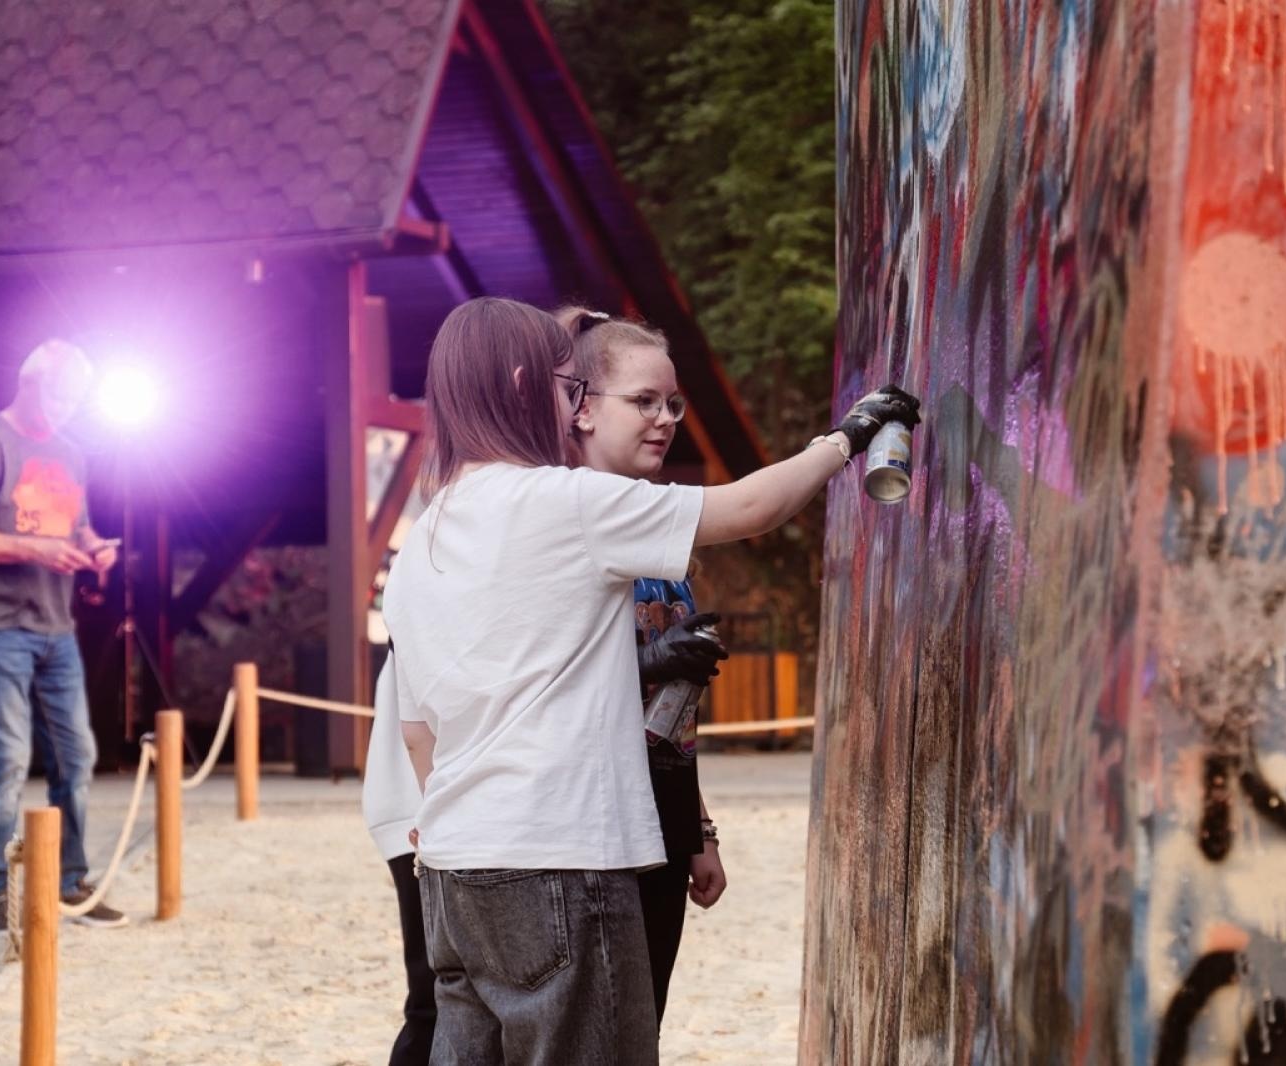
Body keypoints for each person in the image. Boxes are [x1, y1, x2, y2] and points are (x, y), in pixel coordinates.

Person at [384, 296, 917, 1065]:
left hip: (454, 872)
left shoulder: (420, 540)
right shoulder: (560, 502)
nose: (572, 411)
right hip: (558, 858)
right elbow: (749, 507)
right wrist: (847, 439)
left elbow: (417, 730)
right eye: (571, 391)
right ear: (524, 382)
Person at [557, 307, 729, 1025]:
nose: (665, 419)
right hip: (584, 832)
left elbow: (673, 719)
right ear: (584, 409)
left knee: (641, 1023)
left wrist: (699, 833)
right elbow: (547, 686)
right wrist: (646, 660)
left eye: (672, 403)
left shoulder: (659, 538)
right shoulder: (557, 519)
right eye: (643, 402)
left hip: (659, 823)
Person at [0, 339, 127, 935]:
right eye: (63, 393)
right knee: (8, 760)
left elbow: (76, 523)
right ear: (30, 382)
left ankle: (70, 883)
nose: (70, 407)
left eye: (79, 398)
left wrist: (93, 549)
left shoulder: (72, 454)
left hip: (55, 626)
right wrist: (35, 548)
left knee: (78, 755)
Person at [361, 649, 436, 1066]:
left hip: (422, 801)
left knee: (438, 995)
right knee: (433, 999)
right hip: (417, 803)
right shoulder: (423, 588)